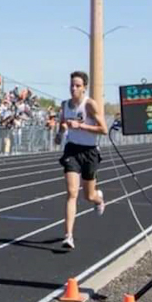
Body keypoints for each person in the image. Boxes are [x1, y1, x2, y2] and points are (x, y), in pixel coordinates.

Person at [55, 71, 108, 249]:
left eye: (77, 86)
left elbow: (104, 129)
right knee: (72, 193)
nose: (73, 89)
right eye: (71, 85)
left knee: (88, 195)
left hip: (90, 152)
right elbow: (63, 122)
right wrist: (60, 133)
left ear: (84, 87)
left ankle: (98, 199)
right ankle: (68, 235)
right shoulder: (65, 105)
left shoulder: (90, 105)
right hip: (72, 150)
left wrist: (81, 126)